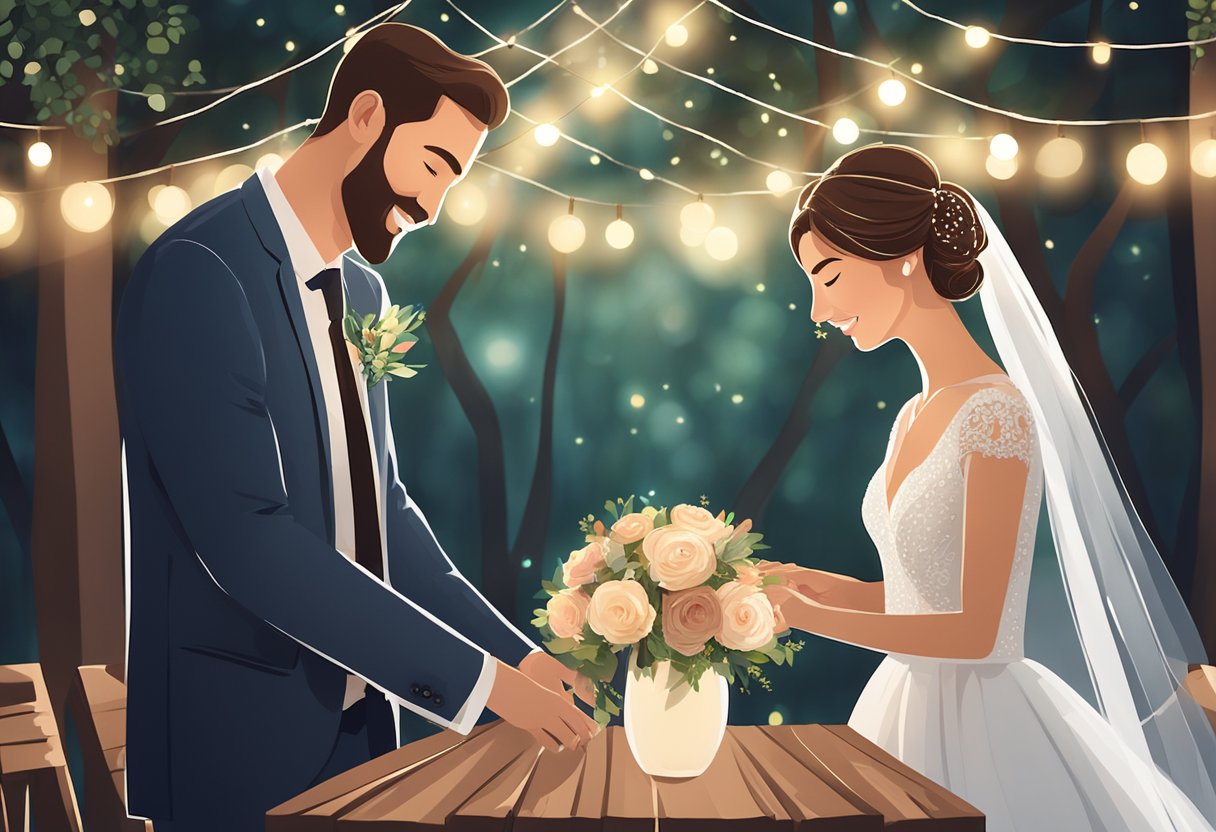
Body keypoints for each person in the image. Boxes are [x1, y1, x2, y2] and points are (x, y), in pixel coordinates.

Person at [114, 23, 597, 832]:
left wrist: (519, 657)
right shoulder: (202, 271)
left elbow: (384, 512)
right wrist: (479, 684)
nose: (434, 206)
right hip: (236, 746)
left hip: (367, 732)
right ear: (367, 117)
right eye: (434, 164)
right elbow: (246, 541)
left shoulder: (364, 297)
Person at [761, 144, 1216, 831]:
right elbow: (924, 598)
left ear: (901, 258)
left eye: (828, 276)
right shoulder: (915, 412)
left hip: (985, 722)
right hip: (903, 704)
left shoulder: (996, 413)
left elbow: (978, 630)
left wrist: (804, 617)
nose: (818, 309)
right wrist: (818, 584)